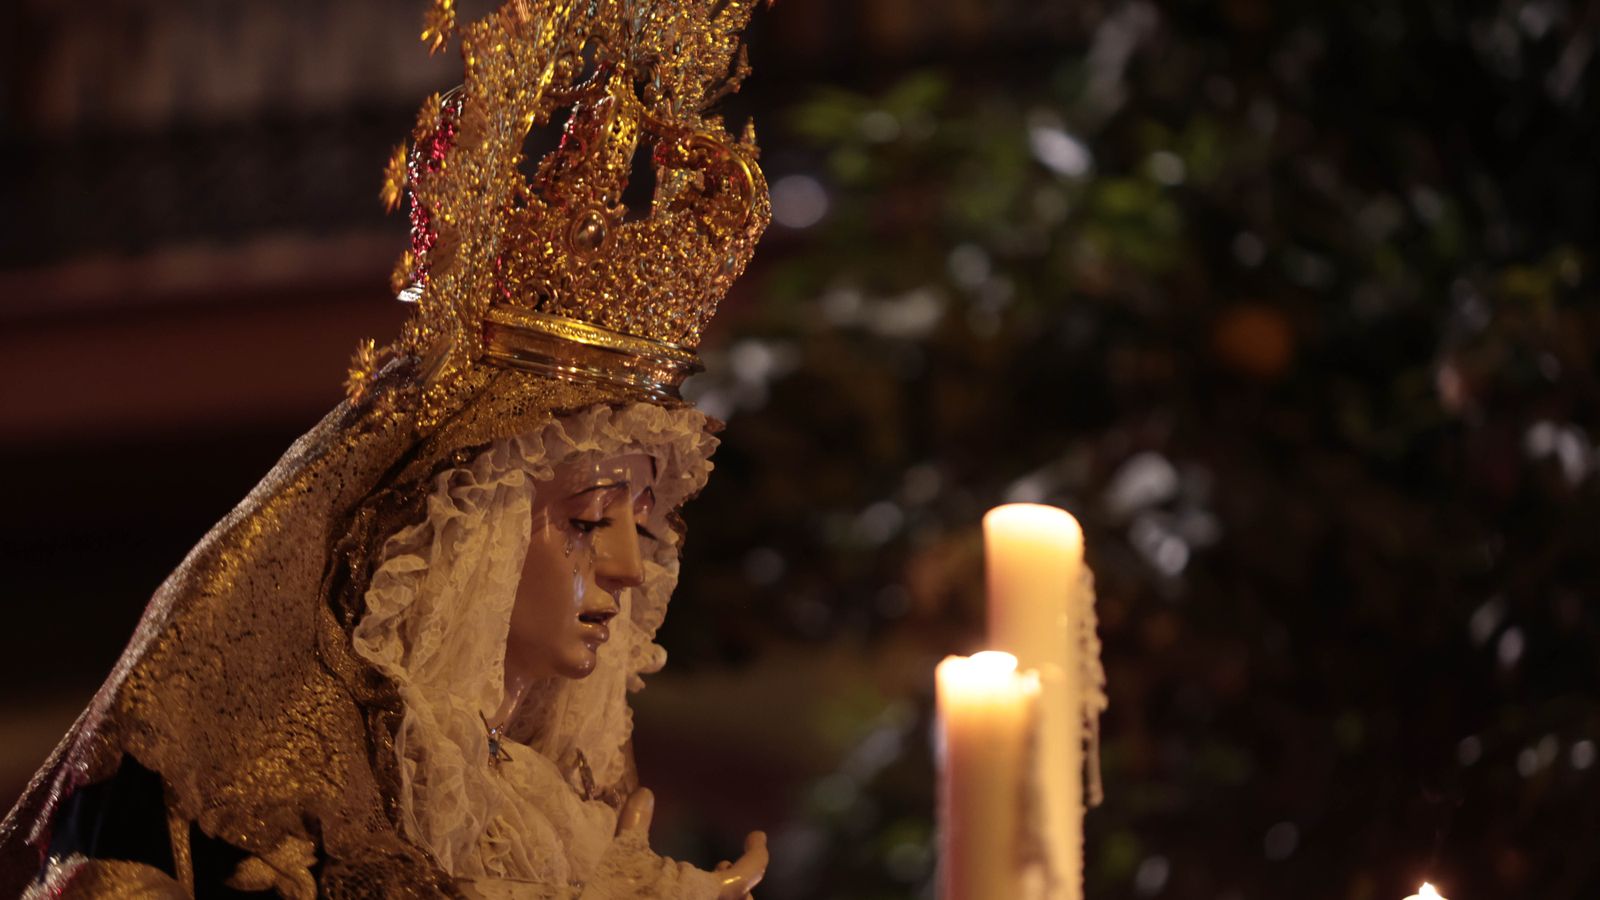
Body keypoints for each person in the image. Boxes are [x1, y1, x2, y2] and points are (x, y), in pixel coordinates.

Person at [0, 0, 774, 895]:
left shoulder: (542, 804)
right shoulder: (242, 802)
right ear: (463, 536)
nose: (629, 569)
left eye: (643, 525)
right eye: (588, 519)